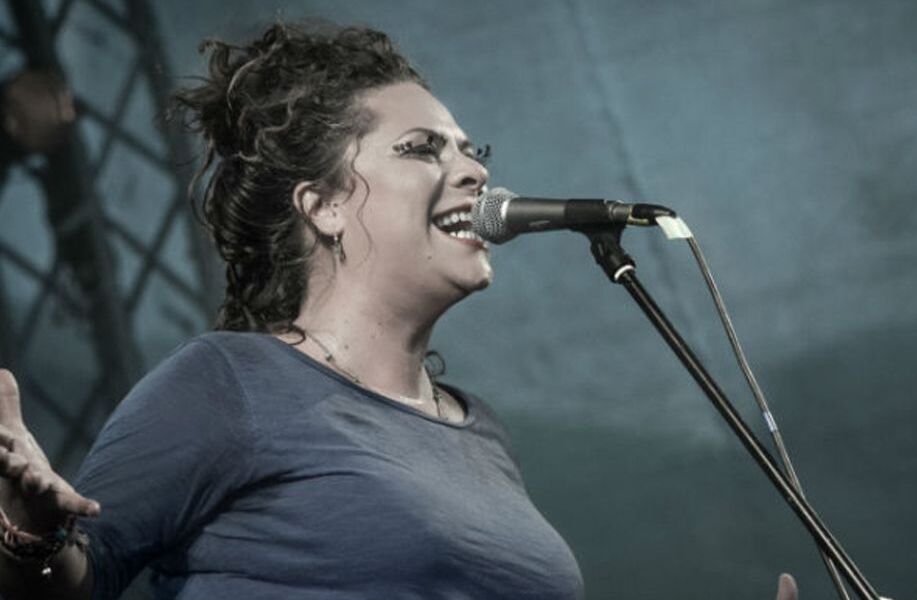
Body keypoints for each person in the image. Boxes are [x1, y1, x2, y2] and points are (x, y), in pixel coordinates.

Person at [0, 22, 584, 599]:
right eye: (421, 148)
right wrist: (29, 536)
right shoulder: (229, 383)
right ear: (324, 206)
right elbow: (75, 580)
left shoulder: (479, 429)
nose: (476, 172)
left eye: (471, 151)